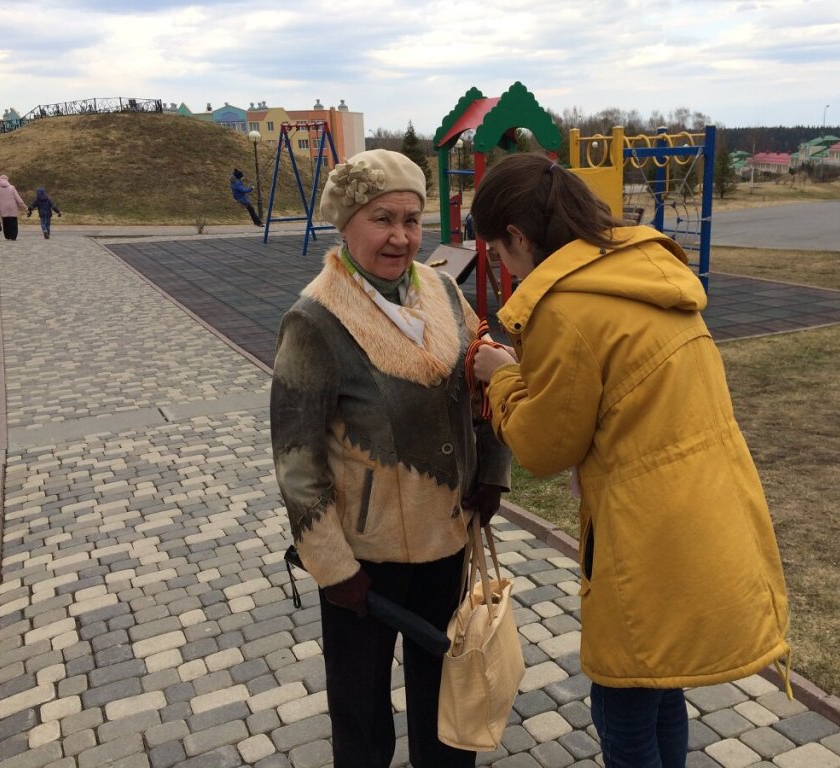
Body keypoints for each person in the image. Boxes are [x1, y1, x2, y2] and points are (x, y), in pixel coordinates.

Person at [469, 153, 790, 768]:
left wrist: (502, 378)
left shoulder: (566, 307)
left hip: (645, 527)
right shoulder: (644, 271)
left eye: (498, 252)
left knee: (622, 700)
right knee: (658, 682)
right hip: (707, 505)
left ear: (517, 236)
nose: (503, 266)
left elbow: (545, 446)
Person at [270, 149, 511, 768]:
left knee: (447, 697)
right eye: (382, 219)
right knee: (361, 711)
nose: (400, 237)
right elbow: (297, 462)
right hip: (364, 561)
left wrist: (491, 472)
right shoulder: (314, 320)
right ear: (346, 223)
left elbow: (484, 382)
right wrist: (333, 568)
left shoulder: (441, 290)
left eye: (411, 219)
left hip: (447, 537)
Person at [0, 174, 28, 241]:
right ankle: (13, 236)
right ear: (7, 180)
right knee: (13, 222)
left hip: (2, 208)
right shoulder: (11, 187)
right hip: (12, 208)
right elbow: (18, 198)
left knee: (5, 222)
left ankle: (7, 236)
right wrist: (24, 206)